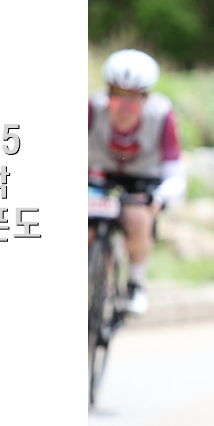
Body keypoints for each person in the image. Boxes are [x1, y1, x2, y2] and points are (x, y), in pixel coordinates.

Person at [88, 49, 187, 316]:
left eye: (132, 102)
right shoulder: (93, 108)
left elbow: (175, 172)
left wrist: (162, 196)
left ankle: (135, 284)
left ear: (145, 100)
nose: (123, 110)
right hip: (98, 172)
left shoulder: (162, 115)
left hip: (143, 178)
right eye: (116, 99)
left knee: (138, 219)